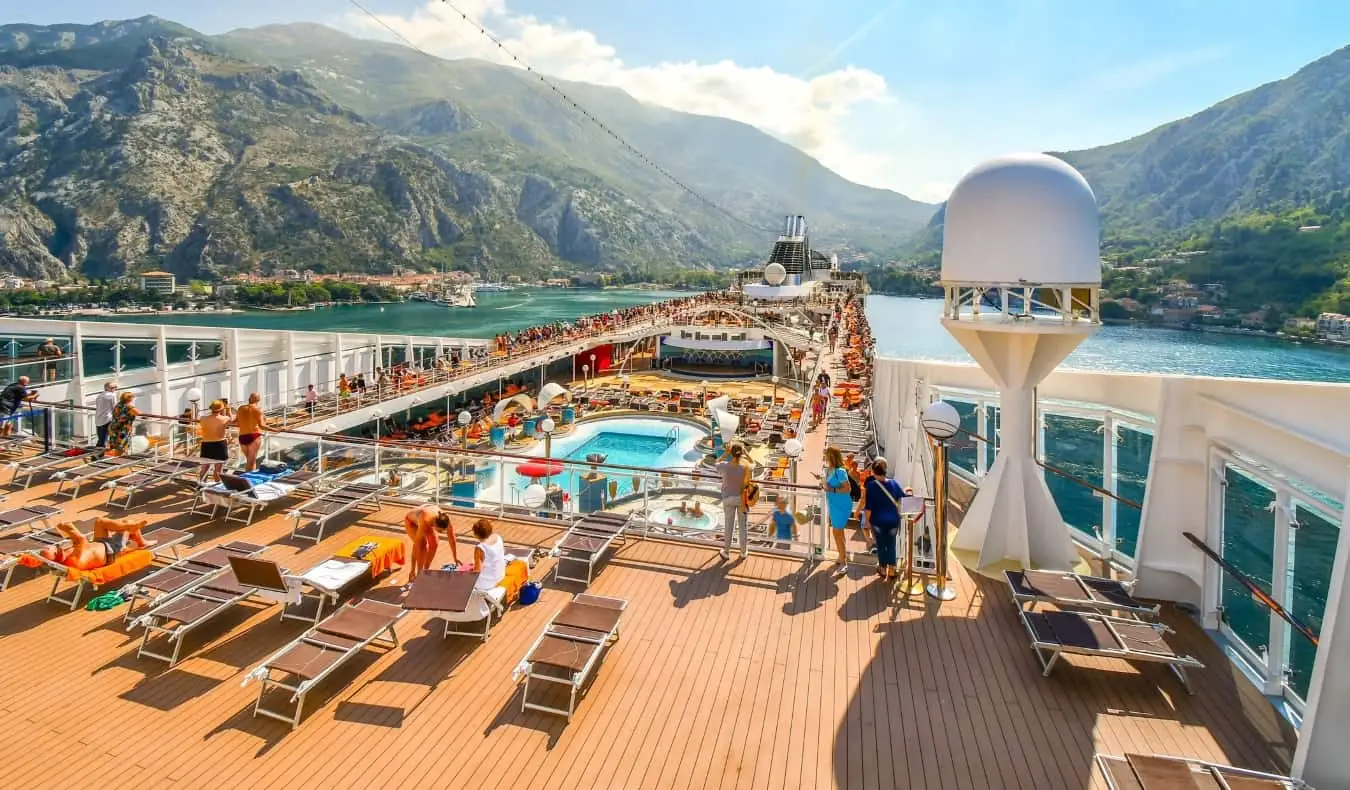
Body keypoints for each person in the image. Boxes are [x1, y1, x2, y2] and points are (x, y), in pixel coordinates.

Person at [855, 458, 905, 581]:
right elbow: (903, 497)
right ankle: (892, 570)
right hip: (893, 520)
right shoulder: (894, 483)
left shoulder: (872, 486)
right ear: (885, 471)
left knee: (881, 545)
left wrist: (866, 521)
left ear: (873, 471)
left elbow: (868, 507)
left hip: (877, 521)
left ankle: (883, 569)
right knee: (891, 544)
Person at [39, 517, 152, 571]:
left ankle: (129, 529)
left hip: (100, 543)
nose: (57, 546)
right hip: (113, 550)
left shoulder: (65, 556)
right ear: (57, 555)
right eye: (56, 548)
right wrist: (68, 528)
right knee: (128, 522)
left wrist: (65, 530)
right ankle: (136, 536)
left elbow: (78, 543)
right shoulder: (74, 561)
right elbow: (81, 540)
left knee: (99, 521)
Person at [402, 504, 458, 588]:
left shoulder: (445, 519)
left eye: (442, 531)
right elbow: (416, 547)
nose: (441, 533)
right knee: (423, 546)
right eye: (439, 530)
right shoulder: (425, 520)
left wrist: (455, 557)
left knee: (435, 543)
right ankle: (419, 574)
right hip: (411, 522)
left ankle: (425, 571)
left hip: (426, 516)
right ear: (435, 524)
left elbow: (452, 539)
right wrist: (412, 569)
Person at [821, 446, 855, 577]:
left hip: (841, 505)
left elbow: (848, 488)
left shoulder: (840, 471)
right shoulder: (829, 469)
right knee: (838, 532)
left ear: (831, 456)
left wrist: (832, 490)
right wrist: (822, 482)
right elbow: (829, 484)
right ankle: (842, 556)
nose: (825, 457)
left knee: (837, 532)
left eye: (827, 455)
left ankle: (844, 562)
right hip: (834, 504)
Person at [715, 441, 752, 561]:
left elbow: (716, 463)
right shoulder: (746, 466)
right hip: (742, 499)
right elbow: (753, 463)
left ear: (731, 453)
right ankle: (743, 552)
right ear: (741, 454)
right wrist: (747, 454)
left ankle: (726, 551)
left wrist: (725, 454)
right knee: (743, 526)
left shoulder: (725, 466)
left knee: (728, 526)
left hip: (728, 498)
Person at [197, 400, 232, 481]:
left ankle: (202, 485)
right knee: (218, 470)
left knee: (204, 468)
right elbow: (232, 419)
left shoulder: (203, 418)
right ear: (221, 409)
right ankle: (217, 487)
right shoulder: (224, 419)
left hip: (206, 444)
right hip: (219, 444)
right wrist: (229, 410)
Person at [470, 518, 506, 592]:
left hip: (487, 583)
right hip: (500, 575)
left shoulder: (480, 547)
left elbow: (477, 571)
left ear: (476, 534)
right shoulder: (498, 537)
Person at [233, 392, 266, 472]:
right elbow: (262, 425)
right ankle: (248, 479)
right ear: (258, 400)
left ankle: (248, 477)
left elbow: (235, 421)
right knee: (251, 461)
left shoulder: (241, 408)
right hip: (254, 436)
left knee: (250, 461)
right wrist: (277, 429)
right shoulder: (258, 410)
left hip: (242, 436)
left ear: (249, 399)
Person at [107, 391, 139, 455]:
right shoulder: (129, 407)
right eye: (132, 397)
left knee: (115, 445)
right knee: (121, 446)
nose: (133, 398)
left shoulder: (118, 404)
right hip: (123, 429)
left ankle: (115, 459)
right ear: (129, 399)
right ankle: (117, 460)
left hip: (114, 426)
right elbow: (138, 413)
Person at [92, 381, 116, 448]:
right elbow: (114, 407)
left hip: (98, 419)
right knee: (105, 439)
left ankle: (96, 454)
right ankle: (99, 455)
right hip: (107, 419)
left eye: (115, 387)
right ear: (106, 388)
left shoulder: (99, 395)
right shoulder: (112, 395)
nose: (114, 389)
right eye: (112, 388)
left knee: (101, 439)